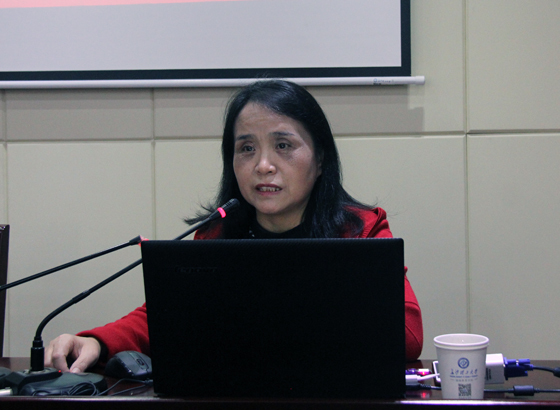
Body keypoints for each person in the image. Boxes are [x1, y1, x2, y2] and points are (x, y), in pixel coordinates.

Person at [45, 79, 423, 373]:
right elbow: (167, 317)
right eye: (246, 148)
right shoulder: (217, 235)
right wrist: (98, 342)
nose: (263, 165)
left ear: (320, 158)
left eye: (283, 145)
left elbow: (406, 336)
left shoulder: (360, 231)